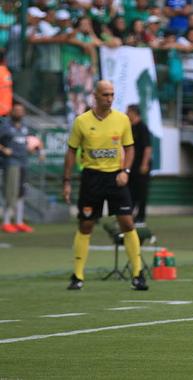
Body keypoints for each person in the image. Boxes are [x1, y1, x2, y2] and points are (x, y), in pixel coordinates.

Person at [62, 80, 148, 291]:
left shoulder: (122, 120)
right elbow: (72, 151)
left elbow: (129, 148)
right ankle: (78, 275)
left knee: (127, 222)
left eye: (112, 94)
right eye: (105, 95)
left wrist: (125, 171)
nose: (109, 99)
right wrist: (66, 181)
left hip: (115, 178)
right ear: (95, 96)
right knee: (86, 225)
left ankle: (137, 274)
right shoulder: (81, 122)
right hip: (91, 177)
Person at [0, 104, 43, 233]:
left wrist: (39, 150)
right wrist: (3, 149)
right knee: (10, 192)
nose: (19, 113)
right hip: (11, 163)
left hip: (24, 162)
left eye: (21, 111)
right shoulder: (5, 127)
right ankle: (6, 222)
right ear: (12, 112)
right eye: (16, 110)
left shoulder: (25, 127)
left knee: (21, 193)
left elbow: (35, 141)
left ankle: (19, 222)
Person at [125, 105, 152, 225]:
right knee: (130, 191)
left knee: (142, 192)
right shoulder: (129, 127)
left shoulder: (142, 127)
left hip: (141, 165)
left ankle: (141, 216)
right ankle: (129, 215)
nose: (126, 113)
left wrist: (144, 164)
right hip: (131, 166)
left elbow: (147, 147)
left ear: (134, 113)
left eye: (128, 111)